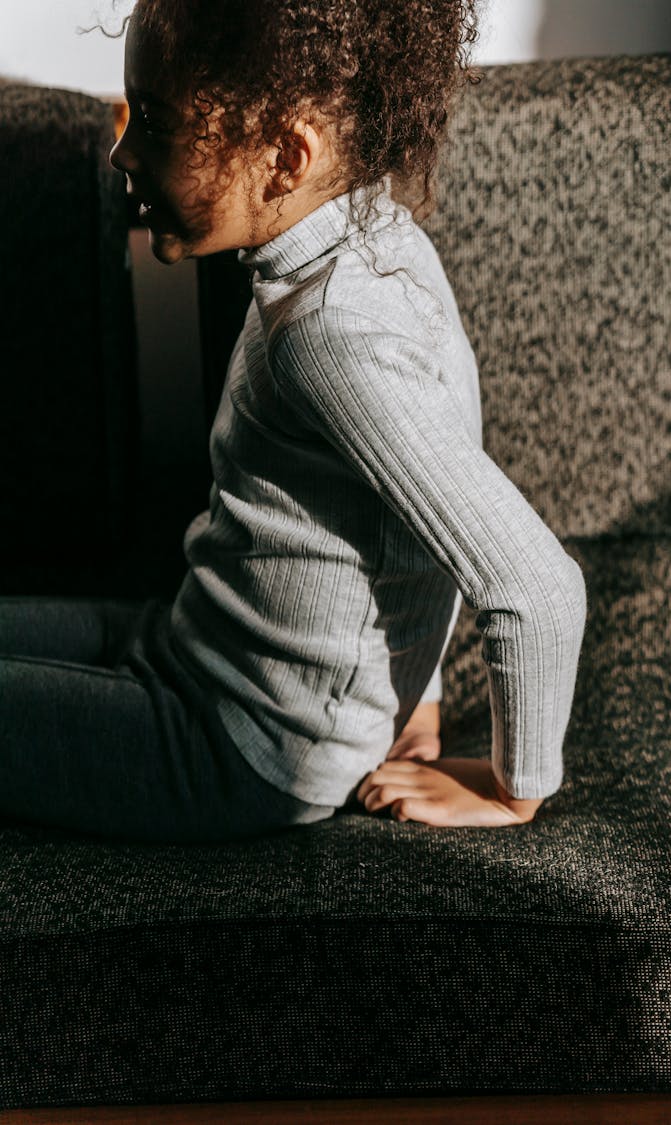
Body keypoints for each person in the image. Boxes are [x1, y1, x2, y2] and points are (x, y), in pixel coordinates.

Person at [0, 0, 587, 843]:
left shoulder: (327, 334)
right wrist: (412, 694)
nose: (122, 153)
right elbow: (434, 476)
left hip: (240, 747)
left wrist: (514, 787)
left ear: (285, 155)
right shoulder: (382, 235)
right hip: (191, 641)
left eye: (155, 122)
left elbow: (535, 585)